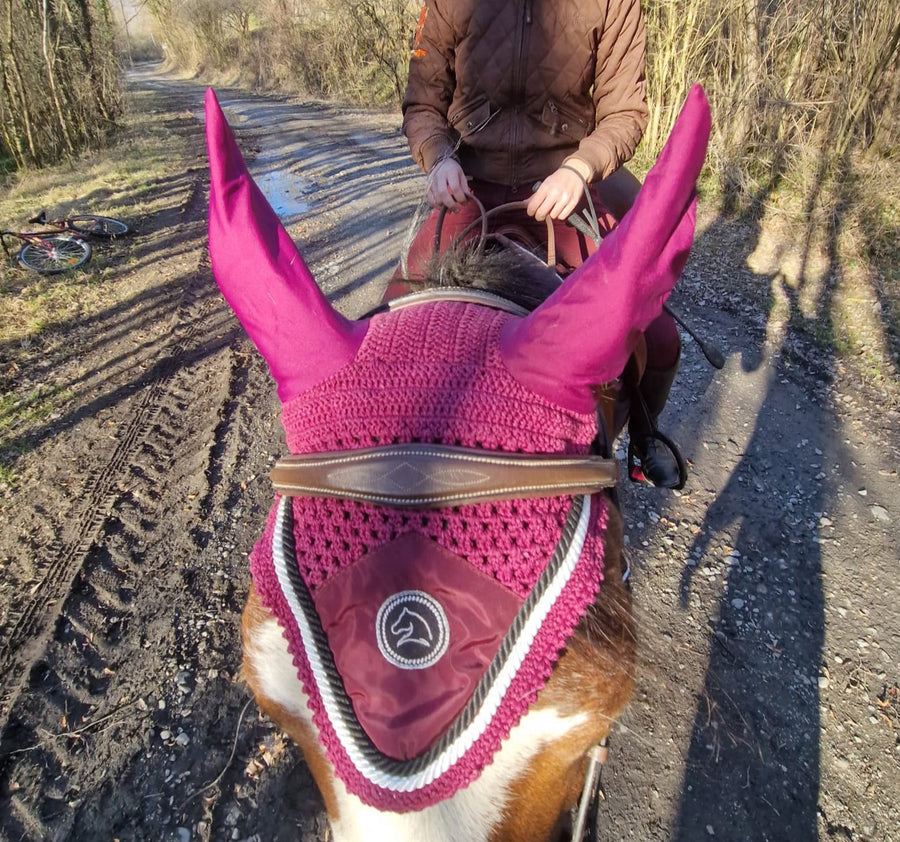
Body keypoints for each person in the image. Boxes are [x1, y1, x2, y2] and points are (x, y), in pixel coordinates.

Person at [397, 0, 685, 489]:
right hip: (473, 179)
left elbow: (625, 112)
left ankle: (642, 441)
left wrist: (581, 167)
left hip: (566, 180)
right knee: (396, 309)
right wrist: (440, 157)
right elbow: (423, 102)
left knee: (658, 337)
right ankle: (394, 443)